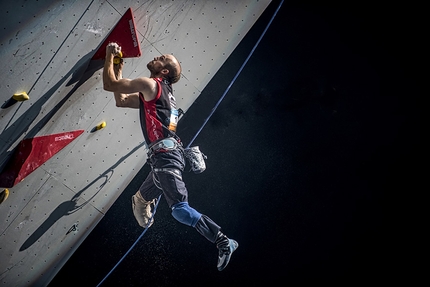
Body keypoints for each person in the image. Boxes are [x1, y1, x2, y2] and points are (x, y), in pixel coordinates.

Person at [102, 42, 238, 271]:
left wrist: (109, 56)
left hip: (166, 157)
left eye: (162, 58)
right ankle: (143, 200)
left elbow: (110, 86)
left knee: (180, 210)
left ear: (164, 71)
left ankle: (223, 241)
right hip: (165, 157)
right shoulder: (164, 96)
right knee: (149, 190)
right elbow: (121, 100)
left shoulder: (150, 84)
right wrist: (118, 67)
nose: (156, 56)